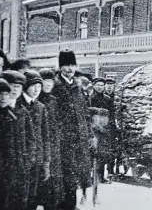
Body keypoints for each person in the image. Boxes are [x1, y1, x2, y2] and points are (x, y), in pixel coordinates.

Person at [52, 49, 92, 210]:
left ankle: (71, 204)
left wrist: (89, 134)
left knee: (76, 174)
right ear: (60, 67)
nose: (69, 69)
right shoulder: (55, 86)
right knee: (64, 176)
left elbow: (84, 112)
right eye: (66, 65)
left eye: (72, 65)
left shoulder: (78, 86)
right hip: (63, 140)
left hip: (79, 139)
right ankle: (64, 205)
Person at [0, 77, 35, 210]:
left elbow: (30, 138)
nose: (4, 97)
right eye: (0, 94)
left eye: (6, 94)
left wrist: (27, 159)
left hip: (17, 167)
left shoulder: (15, 114)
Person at [20, 70, 51, 210]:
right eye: (33, 86)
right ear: (26, 86)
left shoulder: (41, 107)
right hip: (21, 160)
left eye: (39, 86)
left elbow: (45, 136)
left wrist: (46, 162)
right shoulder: (18, 105)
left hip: (36, 161)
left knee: (33, 197)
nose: (37, 89)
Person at [38, 68, 64, 210]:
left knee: (54, 184)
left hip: (54, 145)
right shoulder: (36, 99)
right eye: (45, 81)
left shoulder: (54, 100)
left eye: (50, 81)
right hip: (41, 146)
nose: (48, 84)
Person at [91, 77, 116, 183]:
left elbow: (112, 114)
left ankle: (100, 176)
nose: (100, 87)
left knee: (103, 153)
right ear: (93, 85)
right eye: (98, 85)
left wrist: (112, 128)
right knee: (92, 152)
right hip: (93, 129)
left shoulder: (107, 99)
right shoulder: (90, 98)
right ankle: (91, 176)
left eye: (102, 85)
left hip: (105, 130)